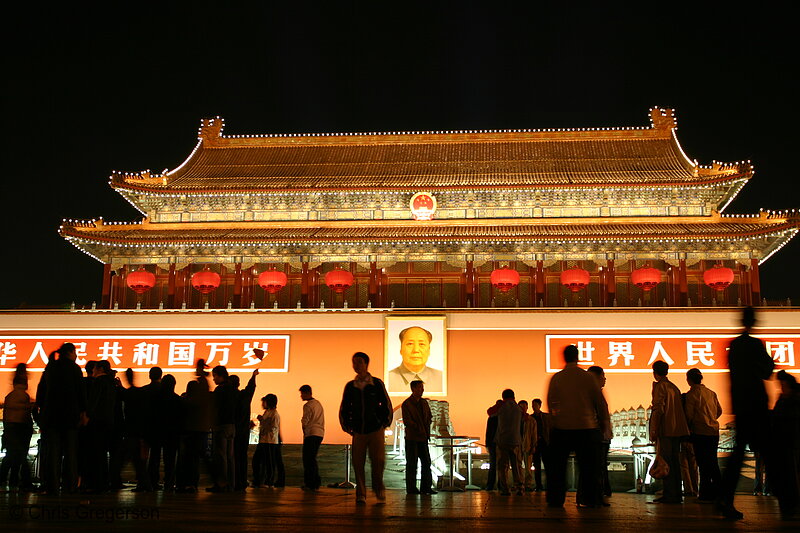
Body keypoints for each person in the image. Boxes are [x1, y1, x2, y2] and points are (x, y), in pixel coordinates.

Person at [718, 306, 775, 520]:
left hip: (741, 407)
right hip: (757, 406)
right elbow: (767, 371)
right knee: (770, 455)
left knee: (737, 457)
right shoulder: (754, 345)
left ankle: (724, 498)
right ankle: (788, 501)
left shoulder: (734, 345)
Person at [546, 345, 604, 508]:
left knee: (557, 468)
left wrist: (555, 420)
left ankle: (556, 499)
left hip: (562, 428)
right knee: (588, 468)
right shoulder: (588, 378)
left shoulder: (557, 378)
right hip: (586, 428)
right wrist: (604, 424)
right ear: (577, 357)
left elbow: (551, 403)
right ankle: (590, 499)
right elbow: (598, 402)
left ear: (564, 357)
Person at [339, 351, 393, 504]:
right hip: (358, 430)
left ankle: (378, 488)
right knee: (358, 462)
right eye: (354, 362)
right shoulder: (350, 386)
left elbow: (386, 404)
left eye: (359, 362)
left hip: (375, 429)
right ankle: (361, 493)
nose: (356, 365)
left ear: (366, 364)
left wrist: (384, 423)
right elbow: (344, 407)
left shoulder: (376, 383)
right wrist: (347, 426)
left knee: (378, 461)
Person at [35, 343, 88, 494]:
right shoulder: (74, 368)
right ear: (71, 352)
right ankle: (70, 486)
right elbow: (81, 392)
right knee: (71, 453)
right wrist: (84, 412)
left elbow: (41, 392)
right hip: (70, 417)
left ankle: (52, 486)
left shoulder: (50, 367)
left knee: (53, 453)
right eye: (75, 352)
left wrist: (41, 410)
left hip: (51, 418)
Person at [649, 360, 689, 504]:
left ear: (655, 372)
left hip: (665, 429)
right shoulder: (674, 387)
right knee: (674, 462)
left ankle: (670, 494)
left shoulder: (660, 387)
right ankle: (676, 493)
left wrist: (654, 429)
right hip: (676, 430)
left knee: (665, 462)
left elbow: (658, 409)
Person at [683, 368, 722, 502]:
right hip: (713, 432)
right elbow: (719, 411)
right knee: (713, 463)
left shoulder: (691, 394)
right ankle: (719, 492)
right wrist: (711, 419)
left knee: (703, 465)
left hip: (699, 433)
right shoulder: (711, 393)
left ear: (689, 380)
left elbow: (689, 415)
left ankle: (706, 494)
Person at [176, 360, 212, 493]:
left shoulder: (187, 401)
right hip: (201, 431)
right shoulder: (203, 399)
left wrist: (201, 373)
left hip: (190, 432)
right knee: (197, 459)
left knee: (187, 459)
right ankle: (193, 483)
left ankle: (184, 483)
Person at [771, 370, 800, 520]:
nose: (781, 388)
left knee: (791, 475)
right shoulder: (785, 399)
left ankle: (790, 505)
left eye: (782, 385)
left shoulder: (792, 400)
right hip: (786, 444)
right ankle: (789, 505)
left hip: (791, 443)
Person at [0, 364, 34, 490]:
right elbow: (25, 414)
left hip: (11, 428)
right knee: (20, 456)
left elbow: (6, 415)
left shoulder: (9, 396)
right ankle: (19, 480)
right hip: (21, 428)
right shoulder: (24, 397)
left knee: (10, 455)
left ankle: (4, 478)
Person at [84, 360, 116, 493]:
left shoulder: (99, 382)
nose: (93, 370)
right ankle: (104, 482)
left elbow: (93, 401)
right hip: (108, 422)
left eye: (95, 368)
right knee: (103, 454)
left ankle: (96, 484)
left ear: (100, 368)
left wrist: (87, 416)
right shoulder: (111, 383)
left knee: (96, 453)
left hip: (97, 422)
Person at [401, 380, 436, 495]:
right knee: (412, 463)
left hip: (423, 437)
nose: (422, 390)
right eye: (419, 388)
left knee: (426, 462)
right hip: (412, 438)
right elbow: (407, 421)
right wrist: (418, 427)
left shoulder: (424, 403)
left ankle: (426, 487)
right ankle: (411, 488)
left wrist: (426, 428)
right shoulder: (407, 404)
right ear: (413, 389)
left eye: (422, 388)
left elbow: (429, 416)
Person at [207, 365, 237, 493]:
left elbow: (215, 408)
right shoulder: (233, 389)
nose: (213, 379)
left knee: (221, 456)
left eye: (215, 376)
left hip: (221, 426)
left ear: (220, 375)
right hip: (232, 426)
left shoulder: (220, 390)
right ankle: (231, 484)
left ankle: (221, 484)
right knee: (230, 457)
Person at [488, 389, 523, 496]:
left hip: (503, 440)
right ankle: (519, 487)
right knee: (516, 466)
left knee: (502, 466)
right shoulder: (518, 408)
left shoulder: (501, 406)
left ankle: (505, 489)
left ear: (503, 397)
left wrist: (498, 404)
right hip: (516, 440)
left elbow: (490, 412)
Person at [388, 326, 443, 393]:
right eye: (410, 344)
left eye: (421, 344)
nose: (416, 350)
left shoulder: (441, 378)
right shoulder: (388, 378)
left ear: (429, 350)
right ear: (401, 349)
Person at [587, 365, 613, 502]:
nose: (605, 379)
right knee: (598, 466)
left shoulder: (595, 393)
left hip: (601, 436)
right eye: (603, 376)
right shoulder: (593, 394)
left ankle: (602, 491)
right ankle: (597, 494)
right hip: (598, 436)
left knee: (600, 465)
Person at [232, 369, 259, 491]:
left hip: (233, 431)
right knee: (242, 457)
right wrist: (253, 376)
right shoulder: (244, 396)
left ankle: (233, 481)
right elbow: (251, 387)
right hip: (244, 432)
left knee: (232, 457)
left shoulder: (231, 397)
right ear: (238, 384)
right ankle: (241, 481)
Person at [253, 394, 284, 488]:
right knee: (256, 460)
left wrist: (262, 421)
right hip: (263, 440)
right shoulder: (267, 412)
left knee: (269, 462)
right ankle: (258, 481)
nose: (262, 403)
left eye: (264, 401)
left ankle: (269, 481)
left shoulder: (274, 413)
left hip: (270, 441)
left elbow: (272, 427)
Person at [299, 384, 325, 491]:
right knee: (312, 458)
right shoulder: (318, 404)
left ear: (307, 393)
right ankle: (315, 482)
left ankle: (310, 483)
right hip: (319, 433)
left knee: (308, 459)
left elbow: (305, 420)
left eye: (302, 394)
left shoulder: (308, 405)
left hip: (311, 433)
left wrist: (304, 430)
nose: (301, 396)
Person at [143, 366, 164, 489]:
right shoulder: (163, 390)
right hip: (159, 427)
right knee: (155, 456)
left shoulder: (145, 390)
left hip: (146, 427)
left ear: (150, 376)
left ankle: (143, 480)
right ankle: (153, 481)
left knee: (143, 456)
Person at [530, 398, 551, 492]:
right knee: (537, 466)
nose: (533, 407)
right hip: (536, 444)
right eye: (532, 405)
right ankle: (539, 485)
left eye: (534, 405)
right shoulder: (531, 418)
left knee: (547, 465)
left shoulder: (546, 417)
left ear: (539, 405)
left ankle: (547, 485)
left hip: (544, 443)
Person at [518, 400, 538, 491]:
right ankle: (519, 484)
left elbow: (534, 434)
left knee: (528, 467)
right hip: (517, 445)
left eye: (524, 407)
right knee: (518, 466)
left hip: (527, 445)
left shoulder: (531, 420)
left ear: (527, 408)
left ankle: (528, 484)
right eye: (521, 407)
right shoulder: (517, 419)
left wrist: (533, 445)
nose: (522, 409)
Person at [484, 402, 501, 491]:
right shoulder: (504, 417)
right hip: (501, 443)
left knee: (493, 465)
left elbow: (488, 432)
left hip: (492, 444)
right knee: (502, 465)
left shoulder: (491, 418)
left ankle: (490, 485)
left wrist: (487, 444)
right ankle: (501, 485)